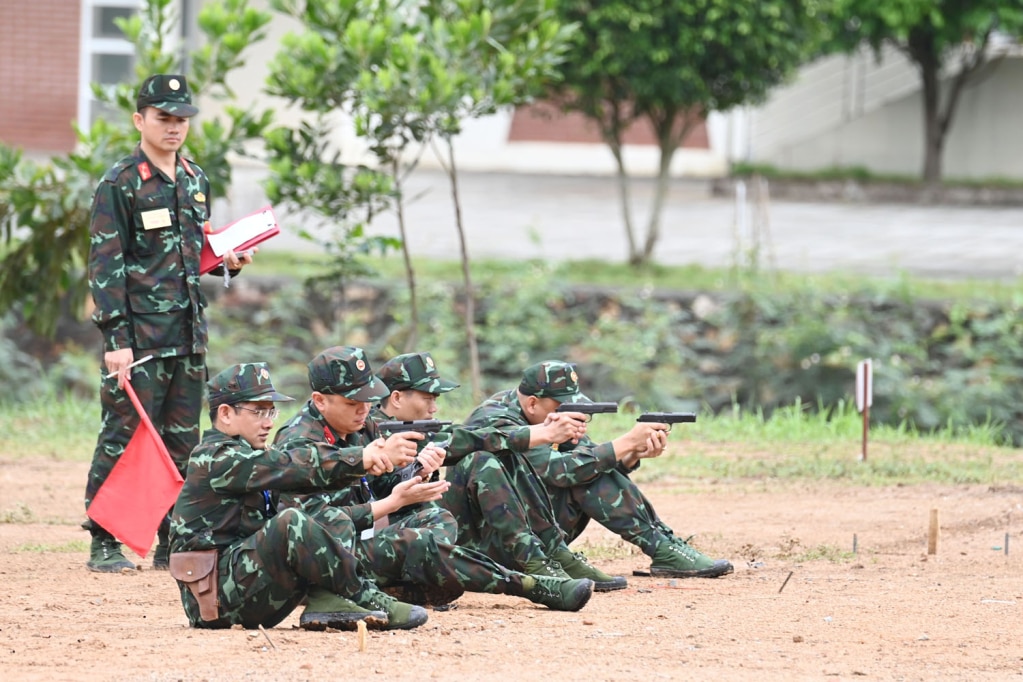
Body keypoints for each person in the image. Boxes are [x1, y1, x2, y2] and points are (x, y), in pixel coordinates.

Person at [273, 346, 595, 613]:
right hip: (326, 558)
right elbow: (315, 527)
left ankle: (401, 588)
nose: (364, 409)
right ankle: (531, 586)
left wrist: (412, 476)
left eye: (367, 399)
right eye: (352, 402)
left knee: (437, 518)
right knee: (418, 541)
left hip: (361, 538)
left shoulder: (359, 425)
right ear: (319, 401)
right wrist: (393, 503)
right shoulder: (300, 443)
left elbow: (375, 487)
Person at [85, 74, 255, 572]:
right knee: (125, 431)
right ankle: (104, 539)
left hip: (186, 333)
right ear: (140, 120)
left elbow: (191, 253)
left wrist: (228, 261)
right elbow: (105, 264)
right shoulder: (120, 183)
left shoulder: (194, 178)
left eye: (181, 119)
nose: (174, 127)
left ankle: (170, 537)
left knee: (183, 439)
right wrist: (116, 340)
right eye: (164, 118)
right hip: (138, 338)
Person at [168, 362, 422, 631]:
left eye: (271, 411)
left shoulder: (248, 454)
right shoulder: (215, 457)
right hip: (214, 599)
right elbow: (288, 464)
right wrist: (361, 458)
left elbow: (303, 476)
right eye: (258, 412)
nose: (269, 422)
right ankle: (366, 596)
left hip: (243, 582)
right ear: (226, 414)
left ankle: (329, 600)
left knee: (326, 515)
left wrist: (369, 466)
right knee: (290, 521)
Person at [375, 351, 628, 592]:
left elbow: (465, 439)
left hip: (422, 530)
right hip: (381, 537)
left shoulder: (413, 430)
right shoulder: (372, 431)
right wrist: (539, 434)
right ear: (396, 398)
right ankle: (533, 561)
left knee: (499, 450)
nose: (434, 408)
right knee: (481, 459)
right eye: (428, 398)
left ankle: (549, 550)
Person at [464, 360, 734, 579]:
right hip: (487, 546)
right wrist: (626, 441)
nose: (573, 415)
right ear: (533, 403)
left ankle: (663, 544)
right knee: (582, 472)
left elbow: (589, 462)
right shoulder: (495, 419)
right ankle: (660, 546)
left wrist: (631, 454)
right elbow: (557, 471)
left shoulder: (540, 413)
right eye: (563, 408)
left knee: (591, 469)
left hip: (529, 535)